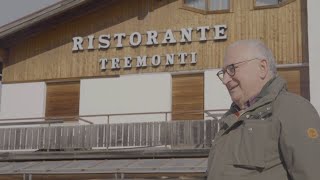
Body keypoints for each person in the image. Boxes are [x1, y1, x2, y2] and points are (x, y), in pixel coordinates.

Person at [207, 39, 320, 180]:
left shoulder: (292, 109)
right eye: (223, 73)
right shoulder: (231, 118)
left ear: (262, 67)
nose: (225, 80)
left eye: (231, 69)